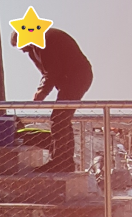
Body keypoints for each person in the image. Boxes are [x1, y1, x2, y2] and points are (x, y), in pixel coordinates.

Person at [13, 27, 93, 173]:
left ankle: (61, 162)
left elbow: (52, 70)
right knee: (61, 119)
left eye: (22, 46)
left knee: (59, 119)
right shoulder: (35, 48)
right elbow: (48, 71)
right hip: (70, 78)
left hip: (77, 77)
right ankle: (64, 162)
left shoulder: (46, 40)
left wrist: (42, 92)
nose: (24, 51)